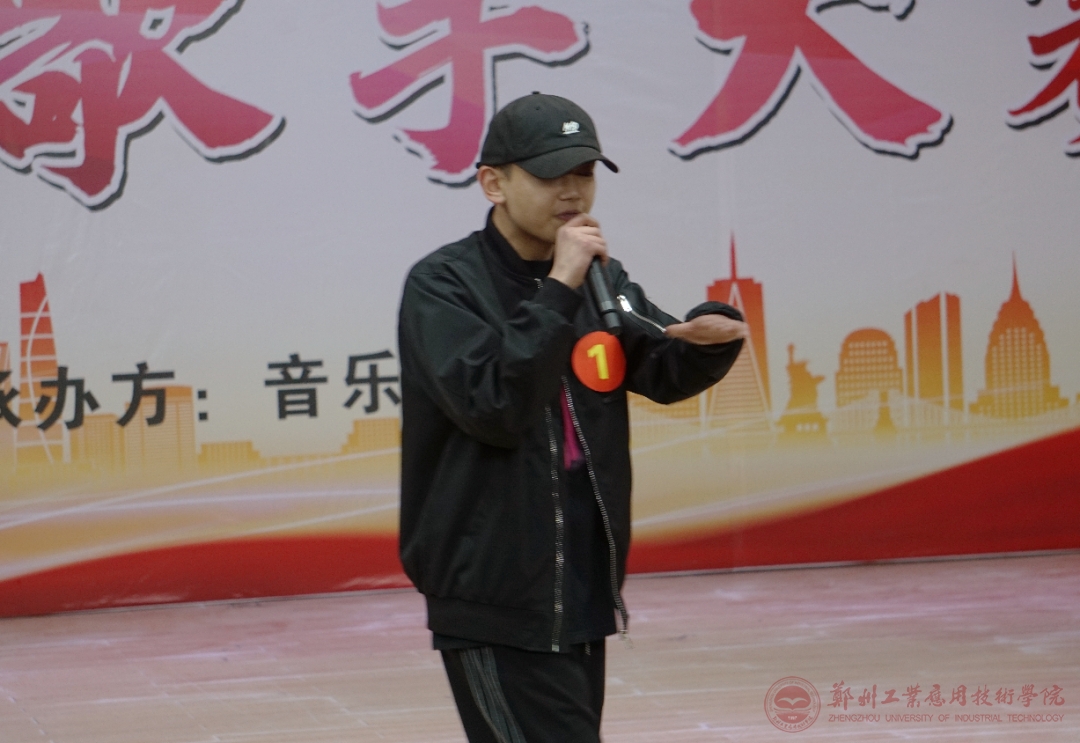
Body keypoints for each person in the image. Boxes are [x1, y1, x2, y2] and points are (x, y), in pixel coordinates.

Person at [397, 92, 748, 742]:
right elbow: (495, 405)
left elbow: (658, 364)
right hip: (493, 592)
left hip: (581, 577)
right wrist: (560, 285)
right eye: (549, 175)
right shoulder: (444, 286)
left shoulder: (599, 280)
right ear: (493, 183)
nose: (572, 191)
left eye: (584, 173)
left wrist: (710, 341)